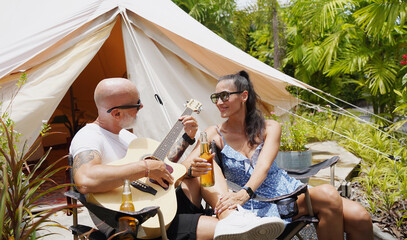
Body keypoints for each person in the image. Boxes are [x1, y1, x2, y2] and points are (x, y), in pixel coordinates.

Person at [70, 77, 285, 240]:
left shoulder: (126, 137)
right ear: (116, 113)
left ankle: (232, 216)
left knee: (205, 163)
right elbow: (86, 179)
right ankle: (232, 222)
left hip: (157, 203)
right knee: (233, 235)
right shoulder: (89, 137)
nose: (141, 107)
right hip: (132, 219)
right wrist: (144, 167)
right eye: (136, 104)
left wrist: (186, 138)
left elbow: (161, 167)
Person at [184, 71, 374, 240]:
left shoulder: (269, 127)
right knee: (328, 194)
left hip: (287, 195)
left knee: (360, 217)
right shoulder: (213, 134)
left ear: (243, 96)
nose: (219, 102)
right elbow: (183, 167)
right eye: (215, 97)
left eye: (224, 96)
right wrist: (188, 143)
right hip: (252, 208)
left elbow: (264, 165)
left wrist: (245, 192)